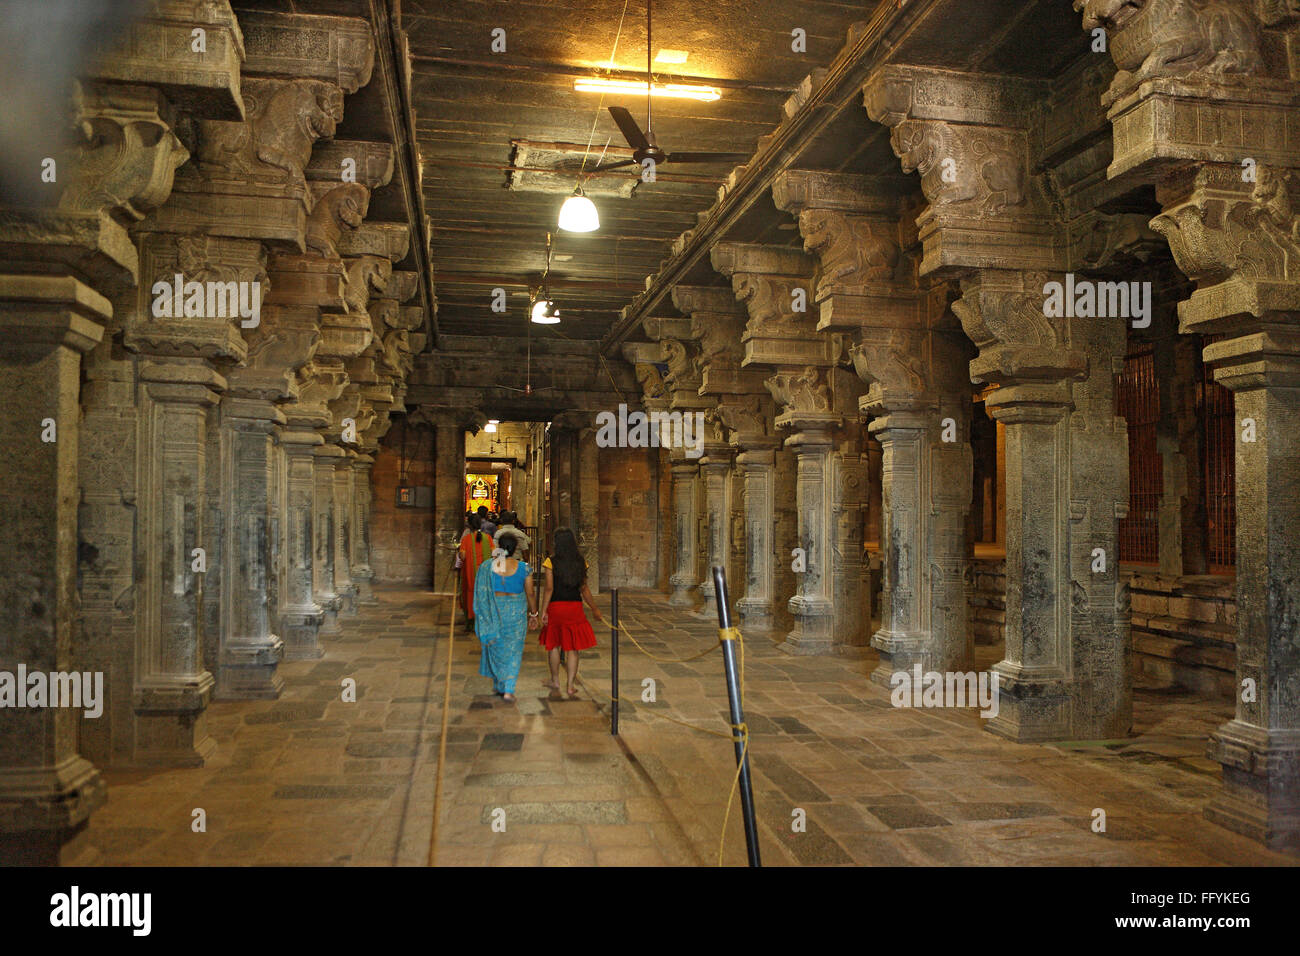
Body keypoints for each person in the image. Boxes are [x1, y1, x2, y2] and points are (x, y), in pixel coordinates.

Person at [537, 527, 604, 699]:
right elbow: (584, 588)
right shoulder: (581, 562)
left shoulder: (551, 562)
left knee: (554, 645)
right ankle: (570, 685)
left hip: (557, 607)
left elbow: (549, 589)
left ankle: (555, 680)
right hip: (574, 608)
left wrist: (543, 611)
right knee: (573, 648)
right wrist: (594, 608)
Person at [473, 532, 537, 702]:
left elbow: (480, 592)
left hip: (493, 611)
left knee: (495, 644)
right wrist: (534, 613)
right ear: (516, 548)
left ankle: (498, 684)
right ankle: (508, 689)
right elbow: (530, 593)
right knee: (513, 650)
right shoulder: (524, 567)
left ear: (498, 546)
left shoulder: (487, 566)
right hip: (516, 613)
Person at [455, 514, 493, 623]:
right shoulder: (488, 538)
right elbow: (494, 553)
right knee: (483, 594)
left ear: (469, 525)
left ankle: (471, 621)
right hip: (484, 573)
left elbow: (462, 556)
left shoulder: (466, 539)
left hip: (470, 572)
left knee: (470, 594)